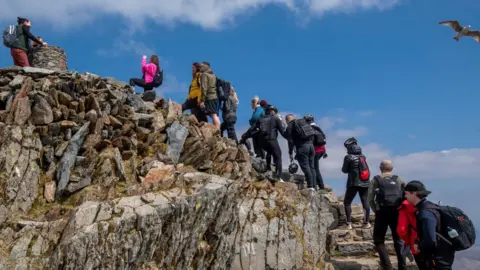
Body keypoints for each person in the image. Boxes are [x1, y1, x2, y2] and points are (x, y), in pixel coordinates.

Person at [404, 181, 456, 270]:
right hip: (444, 252)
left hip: (437, 257)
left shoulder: (425, 213)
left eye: (406, 193)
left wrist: (419, 247)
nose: (405, 196)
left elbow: (430, 239)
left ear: (414, 193)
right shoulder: (430, 207)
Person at [368, 160, 407, 270]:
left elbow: (370, 198)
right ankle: (402, 266)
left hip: (382, 212)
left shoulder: (376, 179)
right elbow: (407, 193)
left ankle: (387, 266)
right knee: (398, 240)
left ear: (380, 168)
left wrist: (376, 210)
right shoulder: (398, 179)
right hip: (397, 212)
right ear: (392, 168)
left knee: (379, 240)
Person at [242, 104, 286, 180]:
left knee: (269, 152)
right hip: (272, 139)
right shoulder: (275, 119)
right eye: (275, 112)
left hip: (262, 142)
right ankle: (279, 177)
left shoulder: (260, 119)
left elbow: (251, 129)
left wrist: (244, 136)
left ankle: (268, 168)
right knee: (278, 155)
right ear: (272, 111)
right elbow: (283, 133)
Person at [341, 137, 371, 229]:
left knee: (347, 202)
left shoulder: (348, 157)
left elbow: (344, 170)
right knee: (365, 200)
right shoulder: (363, 157)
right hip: (365, 182)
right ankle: (366, 223)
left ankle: (348, 223)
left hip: (353, 182)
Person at [285, 114, 316, 192]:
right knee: (312, 167)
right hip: (311, 146)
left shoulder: (290, 126)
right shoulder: (302, 122)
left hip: (302, 147)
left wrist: (290, 152)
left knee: (306, 167)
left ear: (287, 121)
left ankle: (310, 187)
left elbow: (290, 141)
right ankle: (314, 186)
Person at [397, 199, 427, 269]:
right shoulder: (426, 204)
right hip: (430, 240)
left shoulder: (404, 207)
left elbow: (402, 230)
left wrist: (408, 242)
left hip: (415, 242)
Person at [304, 115, 327, 190]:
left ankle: (321, 186)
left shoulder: (309, 128)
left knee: (314, 168)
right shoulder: (318, 128)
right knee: (314, 166)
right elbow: (323, 139)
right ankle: (316, 183)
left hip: (315, 150)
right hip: (322, 150)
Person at [199, 61, 221, 129]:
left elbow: (204, 88)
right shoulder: (213, 75)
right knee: (214, 115)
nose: (200, 68)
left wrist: (202, 100)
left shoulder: (204, 75)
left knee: (213, 115)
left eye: (201, 66)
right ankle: (217, 131)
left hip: (210, 97)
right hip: (215, 97)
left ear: (205, 67)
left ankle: (217, 131)